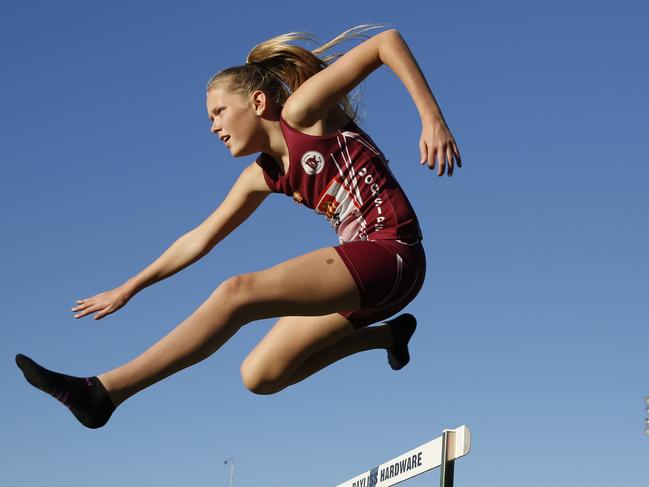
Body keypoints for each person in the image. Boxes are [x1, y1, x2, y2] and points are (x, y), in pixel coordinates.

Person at [16, 25, 461, 429]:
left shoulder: (303, 114)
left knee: (237, 293)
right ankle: (388, 335)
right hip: (374, 289)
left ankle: (104, 392)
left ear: (258, 102)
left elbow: (386, 42)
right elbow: (198, 239)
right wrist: (130, 287)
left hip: (391, 250)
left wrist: (431, 118)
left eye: (218, 112)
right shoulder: (260, 176)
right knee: (261, 375)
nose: (213, 127)